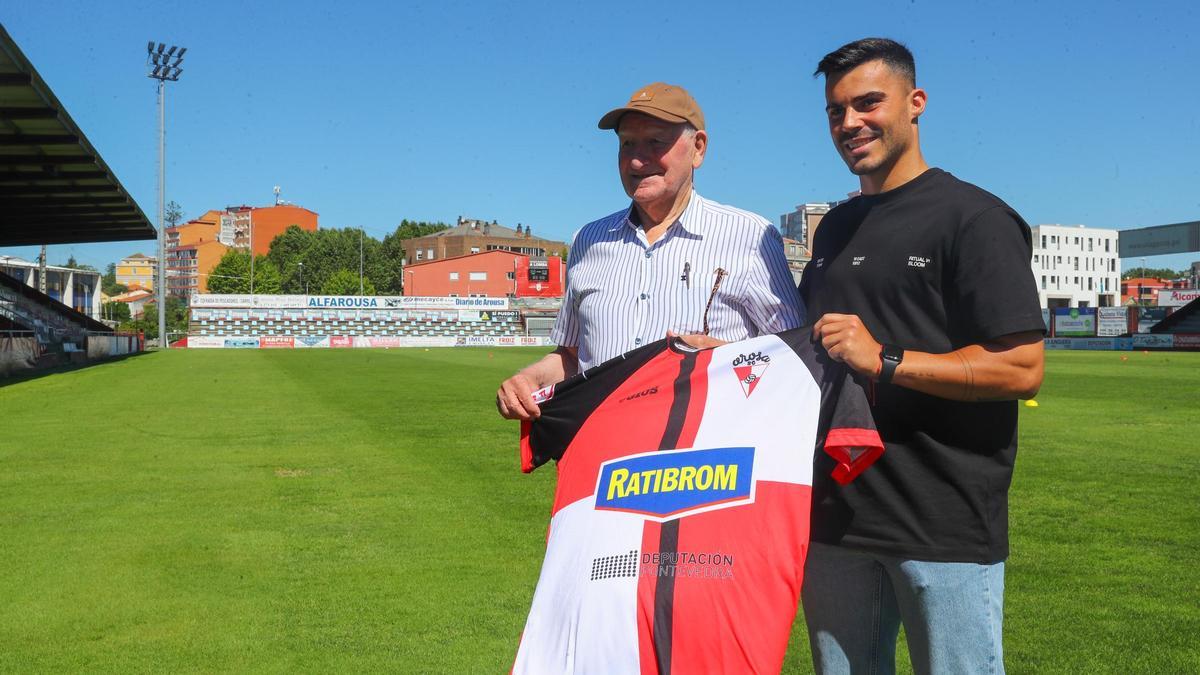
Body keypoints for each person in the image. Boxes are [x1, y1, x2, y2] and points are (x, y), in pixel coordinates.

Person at [798, 38, 1046, 674]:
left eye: (867, 103)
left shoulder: (975, 218)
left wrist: (883, 359)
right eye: (834, 111)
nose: (849, 123)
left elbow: (1020, 367)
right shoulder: (835, 228)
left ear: (916, 104)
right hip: (834, 520)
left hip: (944, 526)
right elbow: (806, 347)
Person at [496, 82, 803, 420]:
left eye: (656, 142)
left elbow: (796, 358)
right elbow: (572, 355)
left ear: (698, 148)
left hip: (702, 462)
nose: (637, 160)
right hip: (602, 455)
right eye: (627, 143)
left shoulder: (750, 235)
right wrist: (528, 379)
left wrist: (727, 357)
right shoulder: (588, 239)